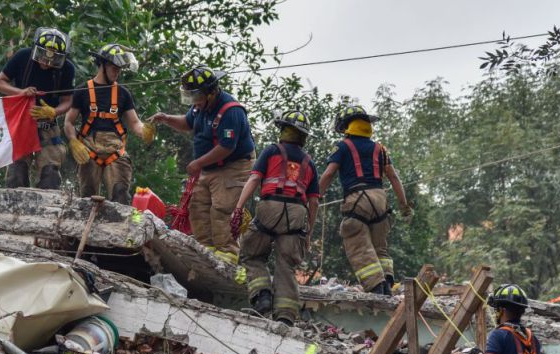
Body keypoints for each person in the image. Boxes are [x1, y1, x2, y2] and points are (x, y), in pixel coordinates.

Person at [150, 65, 255, 264]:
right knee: (198, 207)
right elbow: (187, 123)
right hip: (208, 166)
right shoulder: (200, 107)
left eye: (196, 94)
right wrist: (166, 119)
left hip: (232, 166)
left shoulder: (231, 111)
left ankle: (227, 255)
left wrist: (198, 163)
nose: (193, 100)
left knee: (221, 208)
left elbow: (227, 147)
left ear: (212, 92)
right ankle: (205, 250)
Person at [230, 111, 319, 326]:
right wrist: (308, 232)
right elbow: (314, 202)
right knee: (286, 265)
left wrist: (239, 207)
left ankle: (262, 296)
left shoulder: (271, 151)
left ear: (283, 131)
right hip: (297, 214)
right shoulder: (310, 163)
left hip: (270, 207)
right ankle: (286, 317)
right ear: (303, 137)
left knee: (252, 253)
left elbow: (254, 179)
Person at [318, 105, 411, 295]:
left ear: (347, 126)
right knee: (380, 247)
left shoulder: (342, 147)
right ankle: (386, 280)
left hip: (357, 199)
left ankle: (377, 286)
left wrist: (313, 197)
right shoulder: (380, 148)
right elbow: (394, 177)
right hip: (380, 200)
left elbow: (328, 174)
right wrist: (404, 205)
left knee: (356, 241)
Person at [63, 44, 155, 205]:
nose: (117, 72)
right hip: (89, 149)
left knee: (121, 195)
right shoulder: (83, 90)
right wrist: (73, 141)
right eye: (114, 68)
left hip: (115, 150)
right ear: (103, 65)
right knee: (87, 199)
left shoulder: (123, 93)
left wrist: (144, 131)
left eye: (120, 69)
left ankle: (119, 228)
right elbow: (68, 122)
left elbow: (134, 123)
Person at [0, 27, 75, 189]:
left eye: (52, 60)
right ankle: (14, 210)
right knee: (17, 171)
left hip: (48, 125)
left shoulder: (67, 68)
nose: (46, 62)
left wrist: (55, 111)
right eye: (42, 56)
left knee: (51, 173)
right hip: (21, 122)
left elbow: (68, 101)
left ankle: (46, 210)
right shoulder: (23, 56)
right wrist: (21, 92)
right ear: (36, 49)